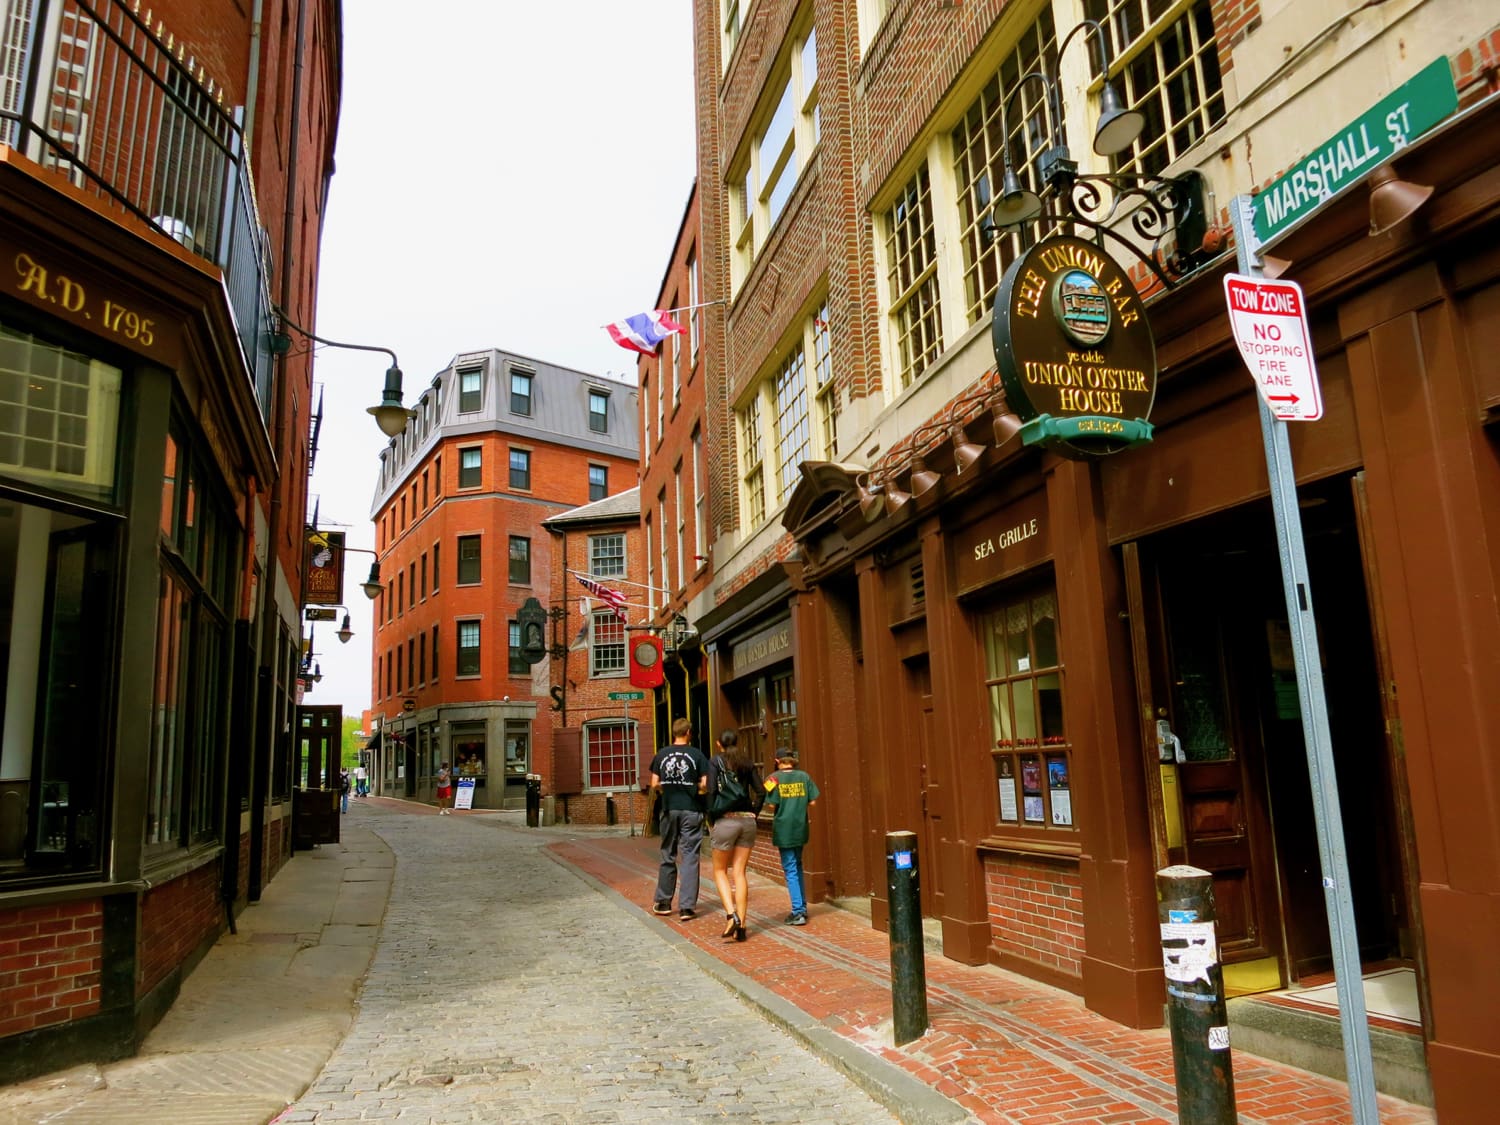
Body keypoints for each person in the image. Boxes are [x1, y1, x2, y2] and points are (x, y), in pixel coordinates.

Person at [648, 717, 710, 921]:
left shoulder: (662, 754)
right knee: (690, 855)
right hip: (691, 809)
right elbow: (704, 784)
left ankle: (664, 902)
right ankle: (687, 907)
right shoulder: (697, 755)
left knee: (668, 853)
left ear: (673, 733)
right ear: (689, 733)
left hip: (669, 808)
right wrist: (694, 789)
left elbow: (654, 783)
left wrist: (667, 789)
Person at [707, 730, 762, 942]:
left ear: (718, 743)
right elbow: (761, 791)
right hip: (748, 821)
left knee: (720, 870)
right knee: (740, 873)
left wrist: (712, 817)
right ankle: (743, 923)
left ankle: (731, 915)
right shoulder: (747, 763)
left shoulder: (715, 762)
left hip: (726, 820)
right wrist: (753, 813)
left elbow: (711, 791)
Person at [763, 750, 820, 925]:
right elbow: (813, 801)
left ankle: (798, 911)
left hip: (784, 828)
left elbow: (771, 804)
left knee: (790, 868)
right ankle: (801, 906)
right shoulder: (804, 776)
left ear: (777, 760)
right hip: (800, 826)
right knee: (798, 865)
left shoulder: (772, 778)